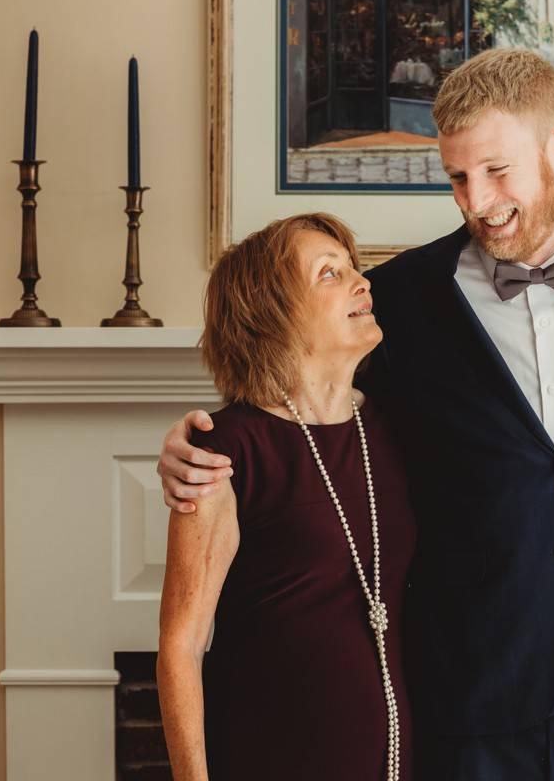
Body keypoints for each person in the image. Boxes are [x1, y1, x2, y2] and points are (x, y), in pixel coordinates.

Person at [158, 48, 554, 780]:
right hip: (471, 701)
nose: (476, 200)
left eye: (496, 170)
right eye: (457, 177)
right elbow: (306, 397)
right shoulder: (401, 299)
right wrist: (192, 443)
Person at [155, 213, 415, 780]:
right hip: (264, 754)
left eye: (354, 268)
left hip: (392, 757)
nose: (362, 283)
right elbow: (182, 645)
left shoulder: (397, 429)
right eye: (329, 273)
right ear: (273, 315)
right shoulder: (222, 450)